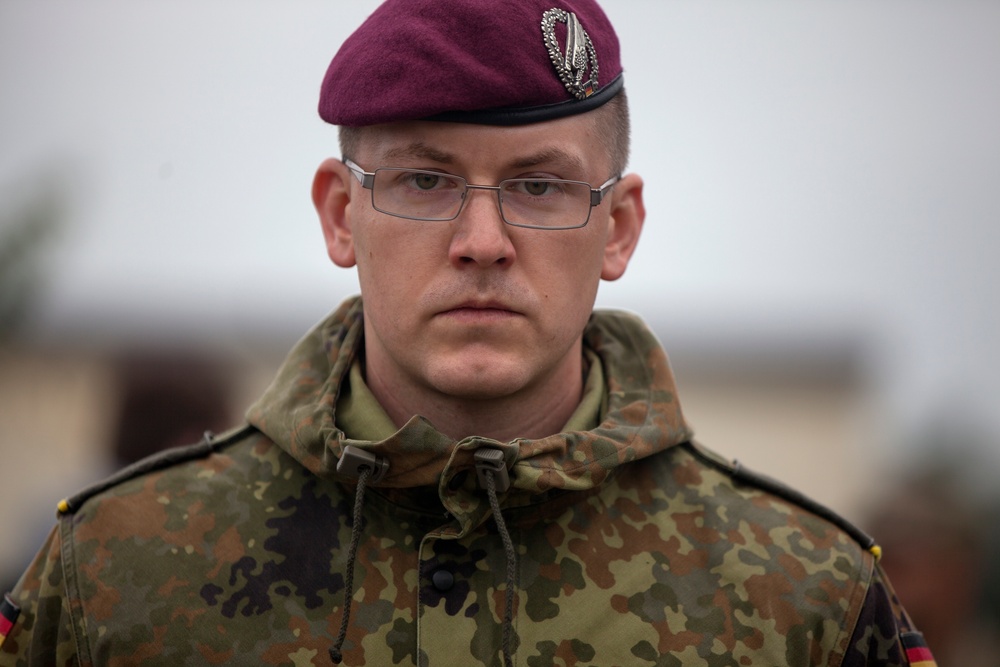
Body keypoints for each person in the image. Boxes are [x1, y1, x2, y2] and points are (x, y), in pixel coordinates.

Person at [0, 1, 934, 665]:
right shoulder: (117, 571)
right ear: (338, 215)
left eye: (539, 186)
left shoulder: (804, 596)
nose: (482, 244)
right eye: (423, 180)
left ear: (618, 227)